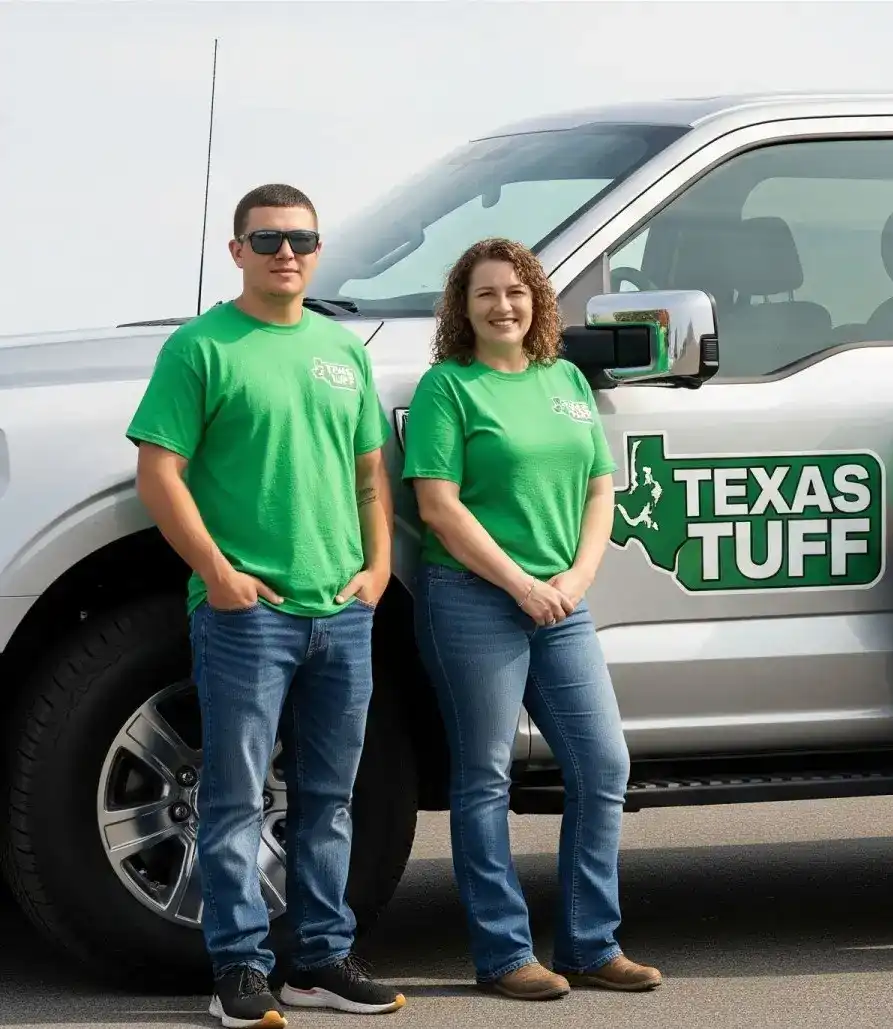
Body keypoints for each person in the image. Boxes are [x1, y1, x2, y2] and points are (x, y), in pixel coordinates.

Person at [127, 183, 405, 1028]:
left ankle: (320, 960)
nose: (287, 251)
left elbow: (368, 476)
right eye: (269, 237)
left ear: (318, 250)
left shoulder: (341, 351)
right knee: (235, 796)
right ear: (237, 250)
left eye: (302, 238)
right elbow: (158, 472)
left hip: (343, 610)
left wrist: (379, 568)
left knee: (329, 798)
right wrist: (217, 572)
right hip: (247, 615)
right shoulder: (199, 348)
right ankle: (238, 969)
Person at [404, 237, 661, 1000]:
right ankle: (504, 954)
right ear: (463, 307)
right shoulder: (447, 389)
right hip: (474, 599)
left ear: (537, 300)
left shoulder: (566, 382)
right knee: (483, 777)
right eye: (485, 293)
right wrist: (520, 582)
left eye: (516, 291)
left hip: (562, 603)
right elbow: (437, 506)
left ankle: (590, 942)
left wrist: (576, 577)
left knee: (603, 764)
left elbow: (598, 487)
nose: (503, 305)